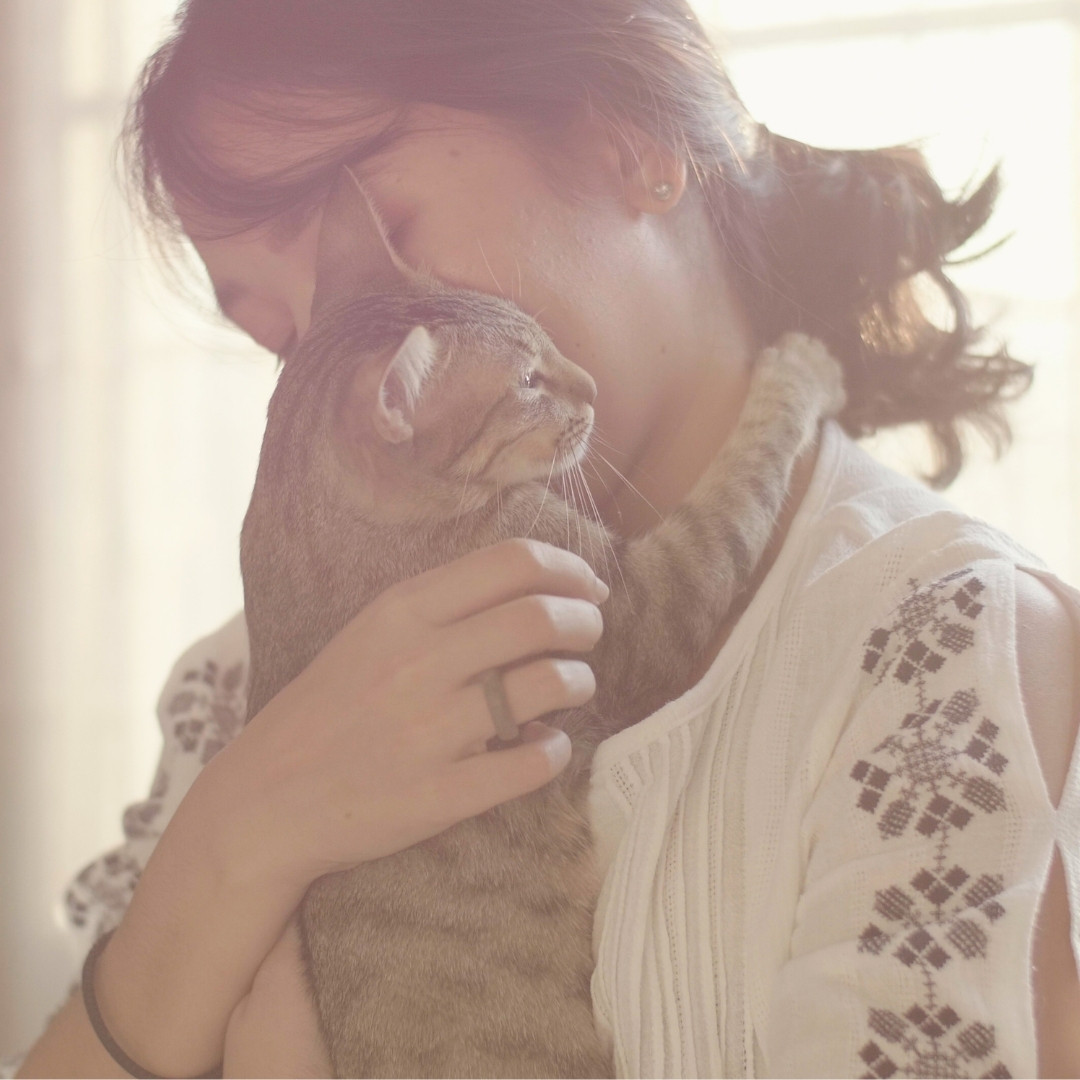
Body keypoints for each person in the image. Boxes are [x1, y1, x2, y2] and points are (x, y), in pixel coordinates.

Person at [7, 1, 1079, 1076]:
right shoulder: (243, 689)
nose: (337, 347)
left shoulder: (931, 652)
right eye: (278, 334)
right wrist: (231, 844)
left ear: (632, 140)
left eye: (388, 234)